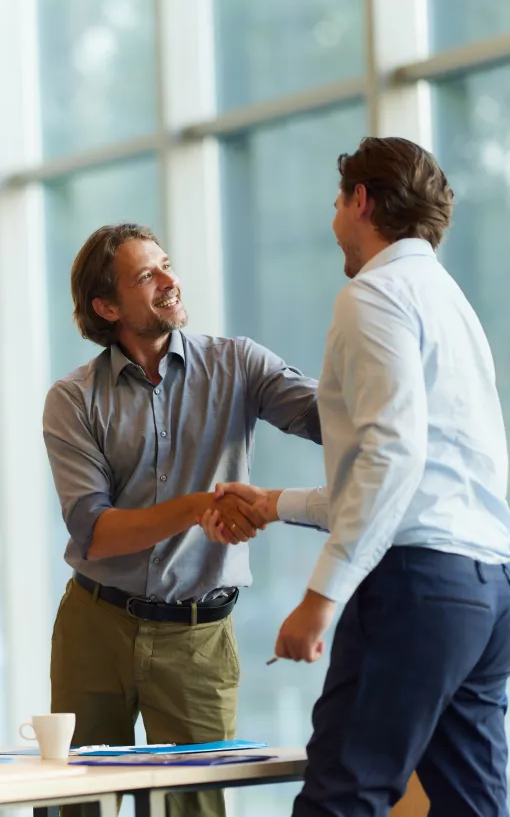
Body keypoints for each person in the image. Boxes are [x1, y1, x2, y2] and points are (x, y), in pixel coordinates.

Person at [200, 137, 510, 817]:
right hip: (486, 591)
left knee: (343, 797)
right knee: (474, 806)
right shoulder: (450, 303)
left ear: (362, 202)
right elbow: (411, 474)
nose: (334, 216)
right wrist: (276, 503)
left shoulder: (374, 295)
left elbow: (391, 458)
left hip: (417, 590)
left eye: (339, 200)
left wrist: (323, 596)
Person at [43, 223, 321, 817]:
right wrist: (198, 507)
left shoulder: (238, 364)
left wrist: (378, 370)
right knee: (77, 805)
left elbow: (327, 418)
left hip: (198, 640)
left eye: (166, 265)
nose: (170, 281)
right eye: (147, 275)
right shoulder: (72, 400)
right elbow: (95, 530)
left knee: (194, 810)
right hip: (95, 630)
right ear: (107, 306)